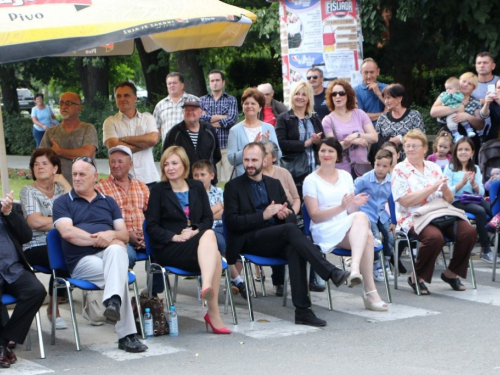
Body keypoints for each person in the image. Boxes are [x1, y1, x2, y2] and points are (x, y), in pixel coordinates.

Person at [224, 142, 351, 326]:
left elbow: (291, 215)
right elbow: (232, 222)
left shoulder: (274, 183)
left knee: (295, 247)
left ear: (264, 160)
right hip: (249, 239)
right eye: (246, 160)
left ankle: (303, 312)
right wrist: (263, 215)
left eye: (254, 160)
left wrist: (285, 215)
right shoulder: (233, 187)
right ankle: (330, 271)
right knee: (291, 232)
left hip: (275, 238)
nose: (249, 164)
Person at [52, 157, 148, 353]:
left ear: (95, 177)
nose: (77, 178)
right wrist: (99, 239)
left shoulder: (108, 202)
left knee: (116, 250)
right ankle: (127, 335)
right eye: (75, 174)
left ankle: (113, 301)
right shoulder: (62, 202)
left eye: (82, 174)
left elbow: (123, 234)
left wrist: (112, 235)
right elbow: (68, 233)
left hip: (109, 256)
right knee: (119, 275)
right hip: (81, 262)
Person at [145, 146, 231, 334]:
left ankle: (207, 290)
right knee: (214, 251)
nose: (170, 168)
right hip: (170, 249)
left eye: (174, 163)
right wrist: (174, 236)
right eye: (166, 164)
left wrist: (194, 231)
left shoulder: (197, 187)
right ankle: (212, 311)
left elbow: (207, 220)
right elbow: (151, 226)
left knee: (210, 239)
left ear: (184, 165)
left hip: (195, 245)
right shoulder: (158, 190)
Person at [303, 138, 388, 311]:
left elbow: (352, 212)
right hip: (324, 227)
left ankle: (355, 270)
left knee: (365, 229)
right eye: (323, 151)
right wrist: (342, 206)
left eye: (331, 151)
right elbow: (315, 216)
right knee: (368, 236)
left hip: (346, 224)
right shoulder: (310, 180)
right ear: (318, 154)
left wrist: (352, 203)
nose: (326, 154)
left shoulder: (346, 176)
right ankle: (369, 291)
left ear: (338, 155)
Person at [391, 129, 476, 295]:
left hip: (439, 211)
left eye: (415, 146)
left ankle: (451, 273)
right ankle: (417, 277)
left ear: (425, 149)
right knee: (434, 237)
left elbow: (449, 199)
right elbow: (405, 201)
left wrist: (444, 190)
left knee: (469, 231)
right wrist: (431, 188)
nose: (410, 149)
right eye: (407, 146)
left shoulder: (433, 167)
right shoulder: (400, 169)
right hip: (413, 215)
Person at [20, 148, 71, 330]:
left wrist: (64, 181)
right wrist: (65, 222)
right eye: (36, 164)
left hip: (62, 241)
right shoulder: (28, 191)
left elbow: (77, 210)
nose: (39, 167)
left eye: (44, 163)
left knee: (74, 255)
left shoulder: (60, 189)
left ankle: (58, 306)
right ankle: (53, 310)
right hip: (36, 245)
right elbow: (36, 222)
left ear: (55, 168)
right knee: (64, 258)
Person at [0, 191, 46, 368]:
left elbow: (26, 236)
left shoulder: (10, 208)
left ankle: (3, 342)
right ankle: (3, 347)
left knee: (36, 291)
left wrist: (9, 213)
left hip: (14, 269)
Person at [191, 160, 247, 299]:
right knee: (220, 243)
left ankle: (234, 279)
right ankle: (237, 280)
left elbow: (227, 212)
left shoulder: (220, 191)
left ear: (211, 175)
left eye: (202, 174)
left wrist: (213, 211)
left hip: (225, 226)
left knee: (240, 239)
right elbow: (197, 218)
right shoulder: (192, 194)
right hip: (207, 231)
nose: (199, 178)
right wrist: (217, 208)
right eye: (196, 175)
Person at [260, 139, 304, 291]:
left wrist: (293, 212)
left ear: (273, 157)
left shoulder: (284, 173)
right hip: (268, 219)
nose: (261, 156)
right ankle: (281, 280)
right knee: (285, 230)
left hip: (289, 215)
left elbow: (297, 198)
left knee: (292, 227)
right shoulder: (255, 177)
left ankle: (307, 279)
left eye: (264, 153)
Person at [443, 137, 494, 263]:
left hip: (472, 198)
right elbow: (446, 190)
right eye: (460, 149)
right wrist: (461, 184)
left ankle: (494, 241)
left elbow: (481, 192)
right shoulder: (450, 168)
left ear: (472, 152)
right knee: (480, 211)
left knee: (494, 209)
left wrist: (473, 183)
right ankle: (485, 248)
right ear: (455, 152)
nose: (463, 152)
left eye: (467, 149)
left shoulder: (475, 168)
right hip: (456, 201)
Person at [103, 81, 160, 187]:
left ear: (135, 98)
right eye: (118, 96)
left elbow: (153, 140)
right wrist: (144, 144)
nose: (122, 99)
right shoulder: (110, 122)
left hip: (148, 179)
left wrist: (124, 139)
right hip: (120, 181)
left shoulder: (147, 118)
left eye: (126, 95)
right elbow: (115, 148)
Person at [354, 149, 395, 283]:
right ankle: (376, 264)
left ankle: (386, 262)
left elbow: (392, 201)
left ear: (390, 167)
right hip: (367, 212)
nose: (380, 169)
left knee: (390, 235)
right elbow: (352, 191)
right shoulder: (365, 179)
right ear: (374, 163)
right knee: (375, 237)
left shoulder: (391, 181)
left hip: (381, 213)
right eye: (378, 165)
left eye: (384, 166)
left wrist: (393, 220)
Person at [40, 92, 98, 184]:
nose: (64, 106)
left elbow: (87, 154)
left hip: (84, 188)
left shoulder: (88, 128)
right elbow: (41, 161)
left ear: (79, 108)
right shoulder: (50, 133)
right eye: (61, 103)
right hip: (57, 189)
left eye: (68, 103)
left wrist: (58, 151)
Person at [322, 79, 377, 177]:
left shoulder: (360, 114)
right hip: (340, 170)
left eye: (341, 93)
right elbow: (332, 148)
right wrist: (352, 141)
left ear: (348, 95)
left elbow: (374, 137)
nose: (338, 96)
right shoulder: (327, 120)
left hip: (362, 168)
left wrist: (357, 135)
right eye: (334, 94)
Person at [275, 81, 324, 189]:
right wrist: (305, 143)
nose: (300, 97)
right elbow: (281, 143)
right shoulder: (283, 118)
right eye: (297, 93)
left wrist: (317, 142)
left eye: (304, 94)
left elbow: (323, 141)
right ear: (292, 96)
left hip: (315, 167)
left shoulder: (314, 117)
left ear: (308, 98)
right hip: (295, 170)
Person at [162, 98, 221, 183]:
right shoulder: (174, 133)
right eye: (187, 110)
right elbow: (165, 158)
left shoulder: (210, 130)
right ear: (183, 112)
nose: (190, 112)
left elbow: (216, 155)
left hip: (207, 183)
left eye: (193, 109)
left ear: (200, 112)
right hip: (183, 183)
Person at [228, 88, 281, 177]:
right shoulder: (234, 130)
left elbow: (278, 155)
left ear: (260, 107)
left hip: (267, 177)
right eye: (246, 103)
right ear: (242, 106)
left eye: (253, 103)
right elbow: (231, 159)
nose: (249, 106)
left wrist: (268, 146)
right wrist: (251, 146)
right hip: (243, 177)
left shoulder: (269, 128)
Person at [430, 72, 484, 155]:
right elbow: (433, 112)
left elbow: (480, 125)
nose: (465, 84)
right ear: (458, 82)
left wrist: (467, 117)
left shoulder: (475, 102)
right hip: (446, 139)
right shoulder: (445, 95)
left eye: (469, 83)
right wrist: (455, 108)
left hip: (468, 141)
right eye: (464, 81)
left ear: (474, 88)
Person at [200, 70, 238, 184]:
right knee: (212, 181)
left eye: (217, 80)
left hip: (227, 146)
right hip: (210, 147)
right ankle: (215, 203)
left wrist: (209, 119)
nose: (215, 83)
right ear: (209, 83)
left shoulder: (231, 100)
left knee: (231, 181)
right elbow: (200, 120)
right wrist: (222, 117)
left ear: (223, 82)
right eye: (212, 81)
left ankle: (230, 202)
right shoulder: (202, 100)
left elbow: (231, 120)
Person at [375, 83, 425, 160]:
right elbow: (376, 140)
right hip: (387, 162)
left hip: (409, 161)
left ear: (399, 98)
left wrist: (401, 140)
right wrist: (389, 140)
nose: (386, 101)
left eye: (388, 98)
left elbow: (420, 138)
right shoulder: (382, 118)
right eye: (385, 98)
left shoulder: (414, 115)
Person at [153, 72, 199, 144]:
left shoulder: (194, 101)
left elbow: (204, 124)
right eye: (169, 83)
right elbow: (156, 129)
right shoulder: (160, 105)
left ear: (182, 85)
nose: (172, 85)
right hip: (169, 148)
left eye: (174, 83)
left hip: (191, 146)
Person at [439, 77, 476, 142]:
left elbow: (460, 99)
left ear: (457, 89)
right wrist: (448, 96)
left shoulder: (459, 94)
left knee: (464, 119)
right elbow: (443, 101)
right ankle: (456, 135)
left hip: (459, 112)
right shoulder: (444, 95)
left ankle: (469, 130)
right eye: (447, 88)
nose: (448, 90)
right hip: (450, 114)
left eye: (450, 88)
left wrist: (453, 95)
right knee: (450, 123)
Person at [473, 52, 499, 139]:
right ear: (475, 66)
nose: (482, 65)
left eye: (485, 62)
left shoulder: (499, 82)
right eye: (479, 63)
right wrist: (482, 101)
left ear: (493, 66)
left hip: (496, 132)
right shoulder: (468, 84)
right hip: (473, 132)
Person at [354, 58, 387, 125]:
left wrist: (378, 94)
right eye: (366, 73)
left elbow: (393, 108)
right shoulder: (355, 91)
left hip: (386, 128)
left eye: (372, 72)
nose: (369, 76)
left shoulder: (386, 88)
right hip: (366, 130)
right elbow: (360, 116)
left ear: (378, 72)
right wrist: (384, 114)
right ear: (361, 73)